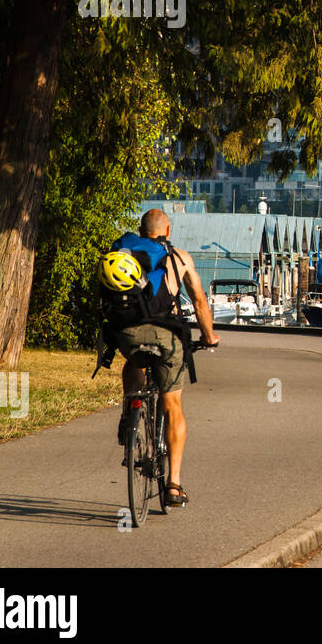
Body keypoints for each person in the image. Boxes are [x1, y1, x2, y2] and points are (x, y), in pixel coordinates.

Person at [112, 208, 219, 508]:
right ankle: (173, 485)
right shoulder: (180, 257)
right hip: (166, 337)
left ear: (141, 230)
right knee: (173, 406)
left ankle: (129, 413)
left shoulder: (123, 252)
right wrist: (209, 337)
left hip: (127, 334)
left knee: (134, 361)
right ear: (168, 231)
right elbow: (198, 300)